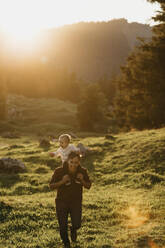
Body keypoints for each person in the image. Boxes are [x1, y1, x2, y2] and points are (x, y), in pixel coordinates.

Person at [49, 152, 92, 248]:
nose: (73, 164)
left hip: (76, 202)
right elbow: (51, 186)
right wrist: (62, 181)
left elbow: (88, 186)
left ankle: (73, 229)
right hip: (61, 202)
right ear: (68, 160)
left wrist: (82, 180)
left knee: (77, 224)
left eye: (76, 162)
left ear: (79, 162)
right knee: (62, 226)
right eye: (71, 162)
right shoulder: (59, 171)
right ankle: (66, 244)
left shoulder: (83, 171)